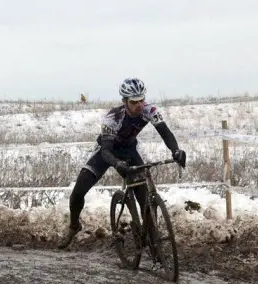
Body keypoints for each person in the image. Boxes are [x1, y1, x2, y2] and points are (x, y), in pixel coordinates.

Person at [58, 77, 186, 249]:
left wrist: (175, 150)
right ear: (125, 101)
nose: (139, 105)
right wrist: (117, 164)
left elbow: (165, 132)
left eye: (141, 100)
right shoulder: (113, 117)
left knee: (145, 197)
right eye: (134, 102)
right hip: (106, 152)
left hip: (129, 151)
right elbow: (105, 152)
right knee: (77, 193)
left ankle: (151, 236)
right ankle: (74, 226)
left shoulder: (150, 110)